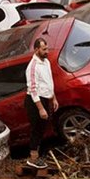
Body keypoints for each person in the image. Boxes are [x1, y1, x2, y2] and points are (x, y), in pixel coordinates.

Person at [24, 38, 58, 169]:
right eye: (44, 49)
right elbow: (33, 89)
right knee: (36, 129)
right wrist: (41, 108)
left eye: (47, 48)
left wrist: (53, 98)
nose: (46, 51)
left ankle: (38, 154)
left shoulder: (46, 62)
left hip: (46, 98)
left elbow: (49, 81)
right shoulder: (33, 67)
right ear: (36, 49)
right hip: (35, 102)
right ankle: (33, 158)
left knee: (43, 128)